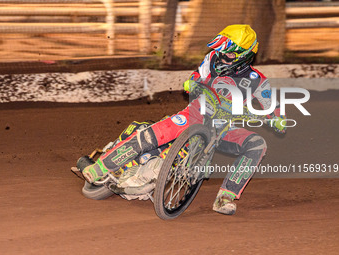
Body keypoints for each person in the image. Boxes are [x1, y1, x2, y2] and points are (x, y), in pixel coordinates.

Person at [82, 24, 286, 215]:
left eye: (229, 53)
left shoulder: (258, 81)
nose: (223, 55)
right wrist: (192, 82)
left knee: (257, 144)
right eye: (222, 50)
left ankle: (225, 197)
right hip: (195, 114)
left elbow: (273, 107)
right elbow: (197, 76)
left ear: (244, 56)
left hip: (224, 128)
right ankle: (101, 167)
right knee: (155, 133)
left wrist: (277, 119)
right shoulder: (212, 58)